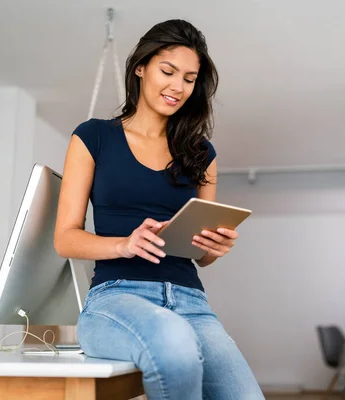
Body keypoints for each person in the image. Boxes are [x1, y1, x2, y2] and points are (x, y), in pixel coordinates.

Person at [54, 19, 264, 399]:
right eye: (167, 71)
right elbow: (65, 238)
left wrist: (213, 248)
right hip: (116, 297)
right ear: (141, 67)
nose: (177, 87)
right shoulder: (93, 137)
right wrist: (124, 244)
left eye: (189, 78)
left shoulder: (202, 154)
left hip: (191, 302)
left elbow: (200, 258)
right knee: (174, 342)